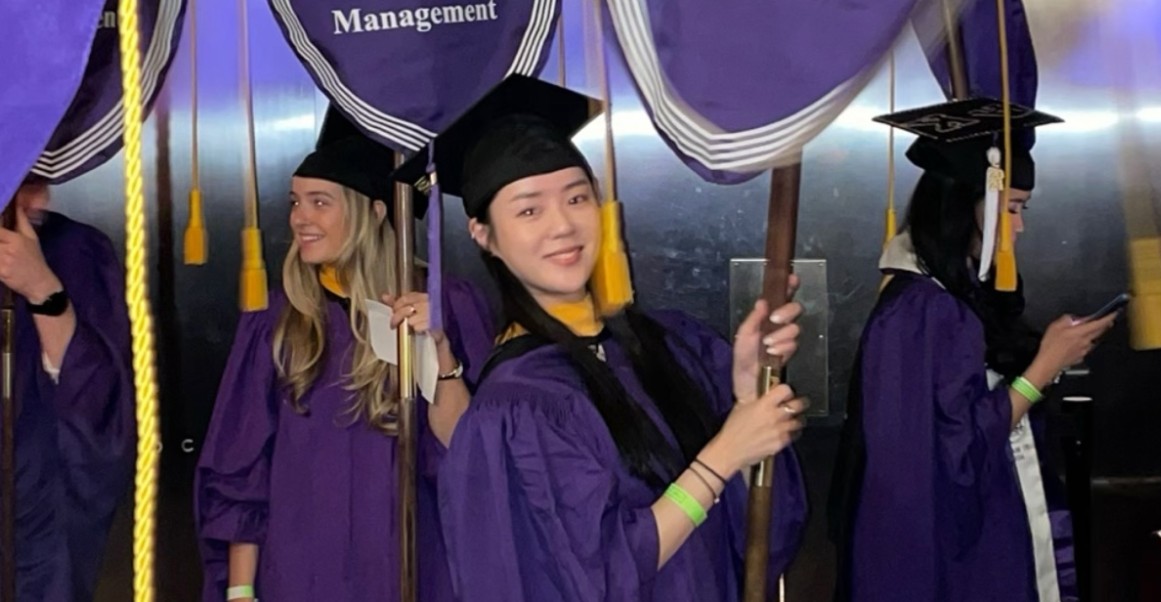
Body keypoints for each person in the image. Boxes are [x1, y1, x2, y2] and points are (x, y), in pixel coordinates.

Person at [390, 74, 809, 601]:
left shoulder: (672, 343)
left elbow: (762, 530)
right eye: (528, 209)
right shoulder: (517, 406)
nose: (562, 225)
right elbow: (600, 574)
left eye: (577, 197)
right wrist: (724, 453)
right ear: (484, 235)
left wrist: (746, 392)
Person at [193, 111, 495, 602]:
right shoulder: (278, 319)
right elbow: (243, 468)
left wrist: (439, 349)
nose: (299, 218)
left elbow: (472, 453)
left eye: (319, 202)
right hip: (300, 572)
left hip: (416, 569)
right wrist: (241, 590)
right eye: (295, 202)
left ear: (375, 212)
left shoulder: (445, 306)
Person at [828, 101, 1116, 602]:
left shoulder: (936, 297)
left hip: (949, 530)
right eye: (1011, 208)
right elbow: (955, 449)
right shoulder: (928, 310)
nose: (1019, 227)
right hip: (947, 547)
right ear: (966, 203)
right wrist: (1045, 366)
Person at [0, 178, 134, 601]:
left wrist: (41, 287)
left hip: (35, 513)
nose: (36, 197)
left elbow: (100, 401)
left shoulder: (76, 250)